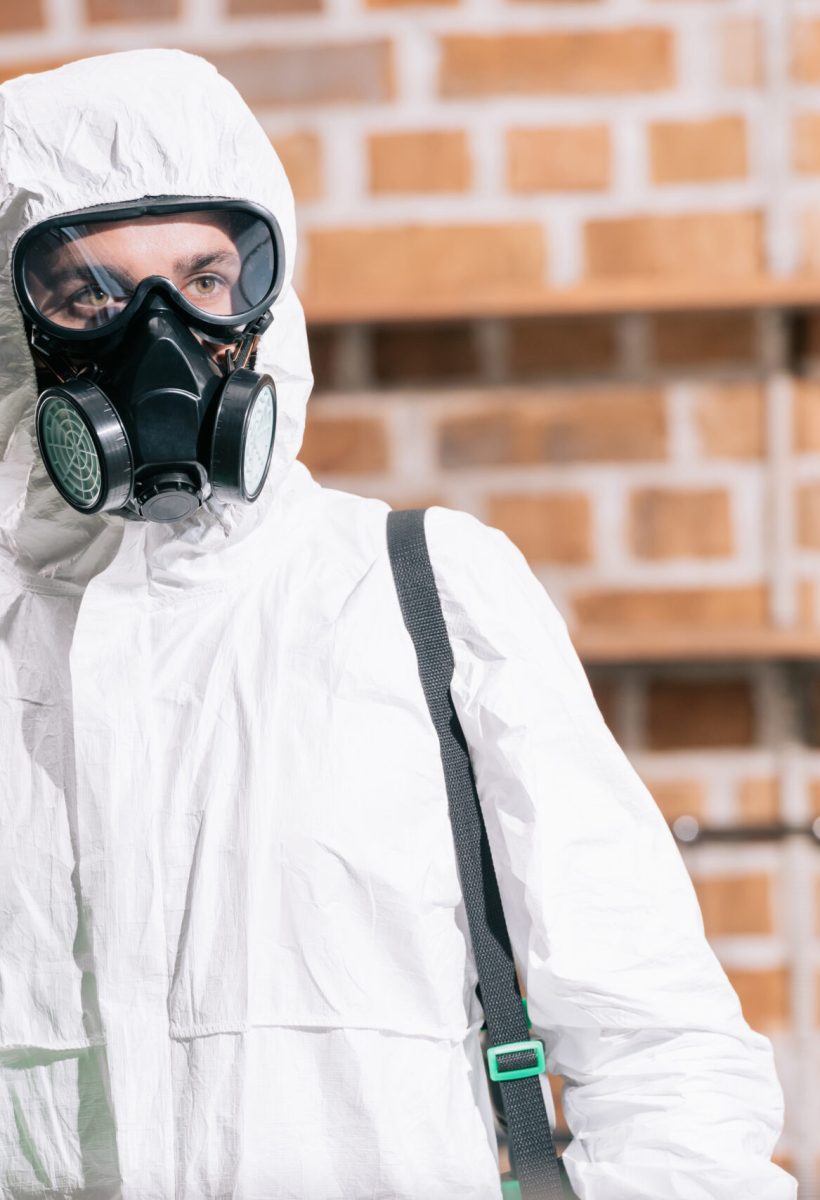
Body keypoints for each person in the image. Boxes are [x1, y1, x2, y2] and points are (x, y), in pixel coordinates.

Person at [0, 48, 795, 1200]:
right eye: (90, 295)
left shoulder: (422, 594)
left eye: (205, 277)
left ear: (261, 303)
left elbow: (660, 1055)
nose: (158, 336)